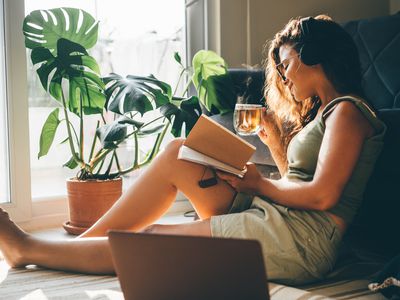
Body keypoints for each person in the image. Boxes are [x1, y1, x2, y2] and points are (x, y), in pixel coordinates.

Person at [0, 14, 385, 285]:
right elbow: (297, 183)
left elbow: (323, 195)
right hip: (282, 216)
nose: (284, 75)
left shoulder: (348, 112)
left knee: (149, 241)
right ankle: (79, 250)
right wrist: (275, 144)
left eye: (287, 63)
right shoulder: (328, 112)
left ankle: (29, 250)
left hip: (302, 242)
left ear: (314, 56)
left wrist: (257, 184)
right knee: (179, 153)